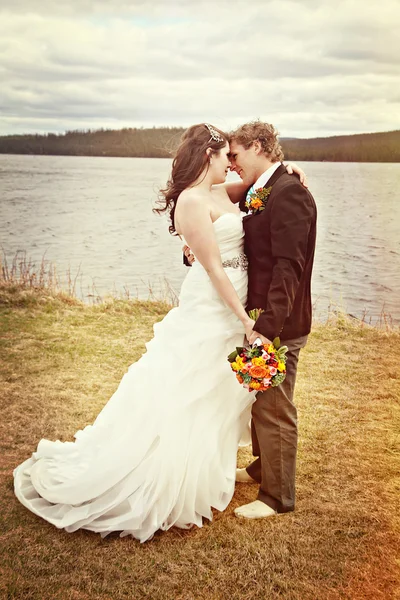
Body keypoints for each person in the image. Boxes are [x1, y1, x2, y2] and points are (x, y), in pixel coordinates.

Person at [13, 123, 257, 543]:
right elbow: (214, 268)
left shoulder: (221, 192)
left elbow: (259, 186)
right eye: (224, 157)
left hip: (233, 301)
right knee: (188, 383)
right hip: (213, 304)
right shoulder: (191, 203)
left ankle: (206, 466)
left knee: (218, 386)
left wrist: (290, 173)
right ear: (207, 157)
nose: (230, 164)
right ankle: (160, 474)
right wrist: (246, 319)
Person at [229, 121, 317, 519]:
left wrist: (267, 327)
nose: (232, 163)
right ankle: (261, 467)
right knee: (259, 399)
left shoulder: (289, 193)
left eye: (236, 154)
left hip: (280, 323)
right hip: (260, 317)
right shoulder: (267, 188)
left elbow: (288, 267)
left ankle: (277, 498)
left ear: (259, 146)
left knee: (274, 406)